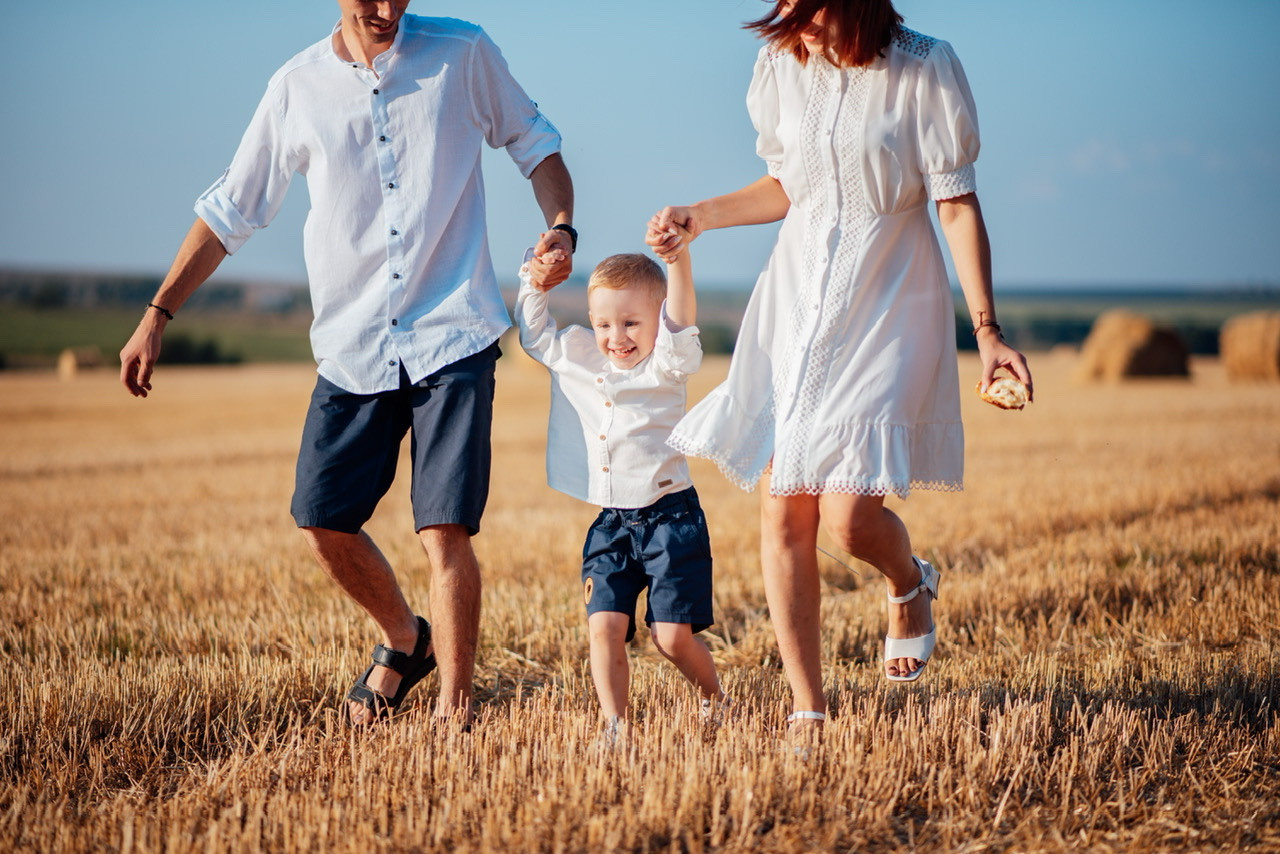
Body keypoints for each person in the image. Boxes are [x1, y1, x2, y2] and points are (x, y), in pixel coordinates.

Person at [118, 0, 576, 727]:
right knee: (321, 518)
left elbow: (536, 143)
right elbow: (230, 210)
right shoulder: (296, 87)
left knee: (444, 529)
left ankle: (457, 720)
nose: (388, 10)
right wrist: (157, 313)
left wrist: (560, 229)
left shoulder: (463, 55)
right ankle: (404, 638)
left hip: (454, 331)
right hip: (353, 342)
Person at [647, 0, 1032, 746]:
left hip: (891, 296)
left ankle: (909, 581)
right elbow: (788, 186)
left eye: (810, 3)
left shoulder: (925, 67)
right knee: (783, 503)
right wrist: (702, 215)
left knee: (849, 515)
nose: (793, 17)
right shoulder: (783, 64)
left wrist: (986, 332)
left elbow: (955, 203)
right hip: (797, 299)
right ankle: (808, 710)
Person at [515, 232, 729, 747]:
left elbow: (680, 320)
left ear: (657, 319)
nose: (617, 336)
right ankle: (616, 725)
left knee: (672, 638)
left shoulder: (668, 363)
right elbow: (534, 333)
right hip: (611, 523)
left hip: (670, 520)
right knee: (603, 626)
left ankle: (715, 698)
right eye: (604, 323)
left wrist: (677, 261)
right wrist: (533, 280)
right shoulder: (581, 356)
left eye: (632, 322)